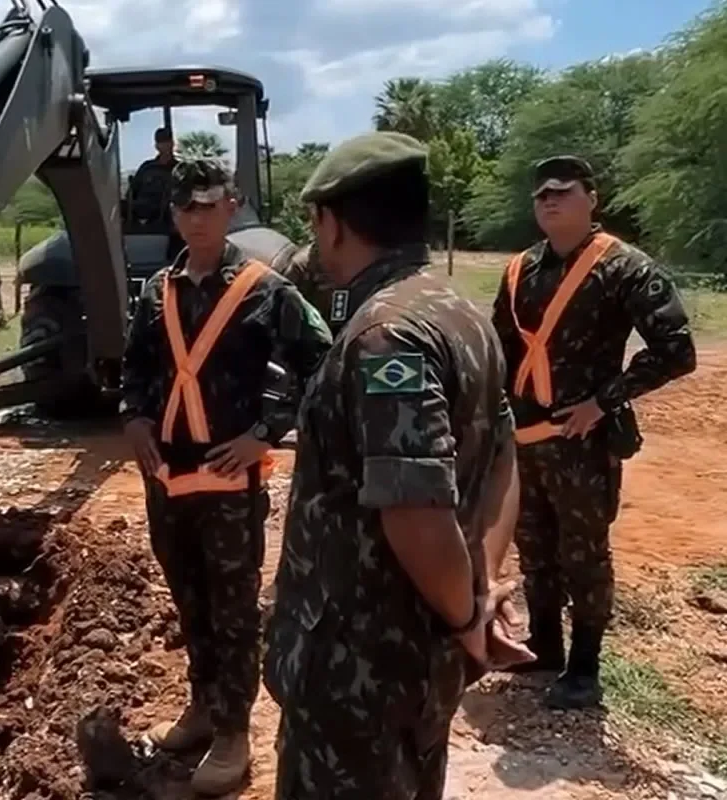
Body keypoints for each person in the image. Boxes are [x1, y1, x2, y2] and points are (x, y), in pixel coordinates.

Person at [263, 131, 532, 799]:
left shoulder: (385, 335)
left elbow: (415, 509)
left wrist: (470, 618)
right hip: (415, 663)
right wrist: (480, 585)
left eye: (313, 219)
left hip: (361, 671)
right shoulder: (459, 311)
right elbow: (504, 456)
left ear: (332, 221)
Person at [120, 158, 333, 795]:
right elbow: (134, 365)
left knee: (234, 612)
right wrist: (133, 418)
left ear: (232, 206)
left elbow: (322, 364)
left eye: (208, 206)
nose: (197, 218)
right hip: (168, 482)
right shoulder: (157, 289)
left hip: (229, 486)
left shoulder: (266, 290)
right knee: (190, 604)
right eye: (186, 208)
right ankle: (203, 706)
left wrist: (264, 433)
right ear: (174, 215)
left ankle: (234, 730)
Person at [491, 155, 697, 708]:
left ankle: (584, 669)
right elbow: (500, 352)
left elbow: (677, 352)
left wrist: (603, 404)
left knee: (584, 554)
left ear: (592, 198)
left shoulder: (625, 267)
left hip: (583, 441)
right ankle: (545, 649)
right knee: (533, 548)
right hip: (526, 439)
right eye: (541, 196)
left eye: (562, 191)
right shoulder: (519, 270)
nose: (549, 201)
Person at [282, 241, 353, 337]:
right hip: (310, 330)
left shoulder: (348, 258)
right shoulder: (302, 264)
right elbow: (285, 298)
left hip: (341, 326)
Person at [127, 127, 178, 228]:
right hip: (145, 220)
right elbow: (132, 192)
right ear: (156, 146)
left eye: (167, 141)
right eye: (161, 142)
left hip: (171, 222)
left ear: (172, 143)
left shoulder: (180, 169)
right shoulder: (147, 167)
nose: (165, 145)